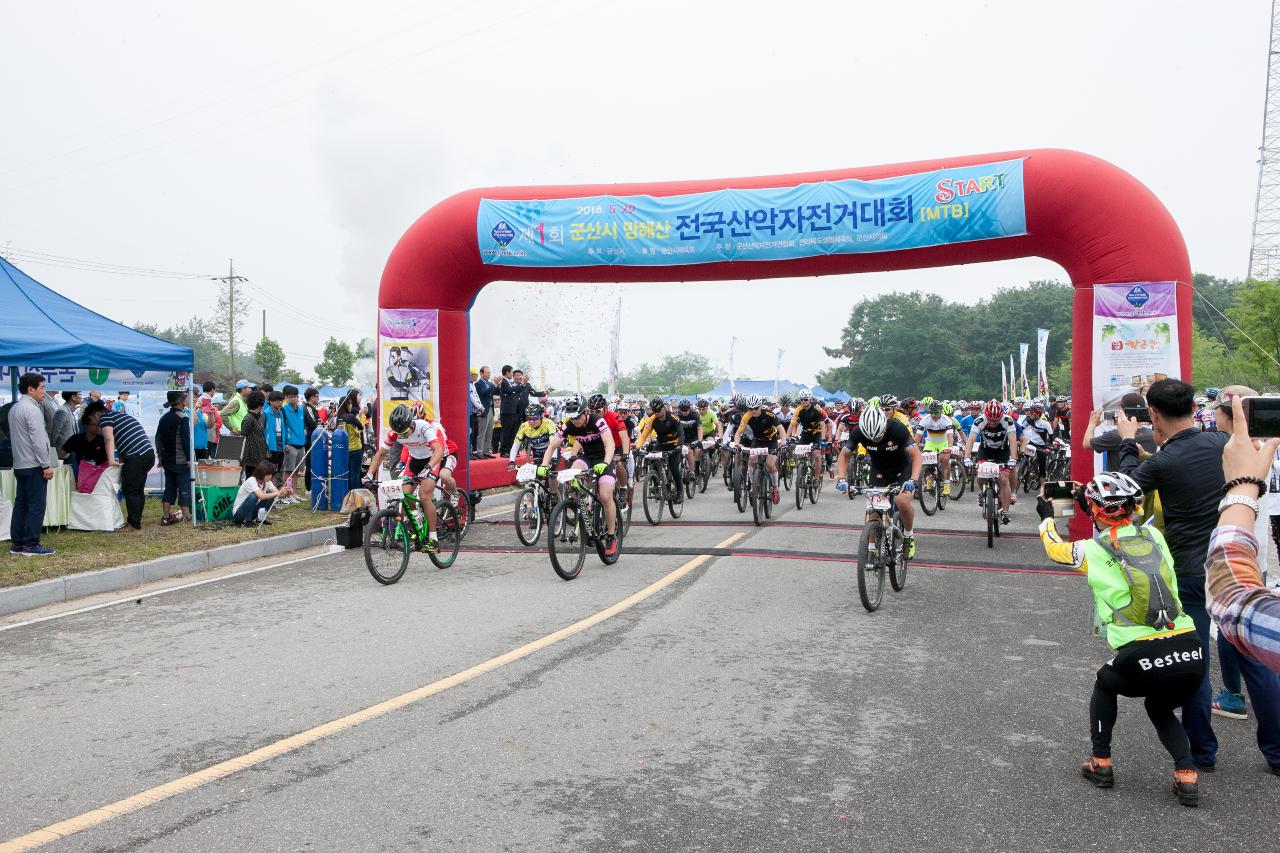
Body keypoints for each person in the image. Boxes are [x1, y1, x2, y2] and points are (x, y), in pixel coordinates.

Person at [1115, 378, 1280, 773]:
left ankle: (1201, 752)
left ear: (1152, 414)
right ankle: (1276, 751)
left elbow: (1120, 495)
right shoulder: (1223, 446)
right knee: (1256, 654)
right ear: (1194, 407)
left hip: (1190, 569)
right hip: (1239, 559)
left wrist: (1126, 443)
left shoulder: (1161, 462)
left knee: (1195, 660)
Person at [1036, 472, 1204, 805]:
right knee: (1159, 707)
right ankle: (1187, 773)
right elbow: (1126, 536)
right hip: (1191, 650)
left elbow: (1056, 550)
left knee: (1105, 682)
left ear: (1095, 511)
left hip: (1141, 653)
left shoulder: (1091, 550)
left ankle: (1101, 762)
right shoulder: (1154, 534)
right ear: (1134, 505)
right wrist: (1096, 503)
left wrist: (1046, 519)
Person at [1207, 393, 1280, 676]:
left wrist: (1242, 486)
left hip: (1245, 553)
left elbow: (1229, 598)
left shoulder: (1230, 453)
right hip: (1255, 554)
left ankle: (1234, 694)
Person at [366, 404, 460, 551]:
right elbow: (380, 454)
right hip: (415, 461)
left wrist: (428, 468)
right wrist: (369, 475)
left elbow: (438, 451)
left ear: (411, 423)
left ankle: (433, 539)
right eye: (399, 433)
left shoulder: (424, 427)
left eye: (404, 432)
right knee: (404, 494)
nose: (402, 436)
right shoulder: (394, 433)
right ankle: (416, 520)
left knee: (424, 496)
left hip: (432, 460)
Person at [837, 405, 922, 557]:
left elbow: (916, 456)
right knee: (873, 512)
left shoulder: (897, 428)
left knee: (902, 500)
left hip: (903, 468)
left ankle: (908, 536)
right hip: (879, 470)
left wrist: (914, 479)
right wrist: (842, 479)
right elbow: (843, 456)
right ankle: (871, 549)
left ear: (884, 425)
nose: (876, 439)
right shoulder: (859, 432)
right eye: (872, 438)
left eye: (879, 435)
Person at [538, 396, 618, 556]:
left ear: (585, 412)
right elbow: (552, 445)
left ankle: (611, 535)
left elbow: (610, 443)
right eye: (571, 417)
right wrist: (543, 465)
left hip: (604, 458)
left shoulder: (597, 421)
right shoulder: (568, 425)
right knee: (572, 479)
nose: (574, 421)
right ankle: (583, 511)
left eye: (577, 417)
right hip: (587, 458)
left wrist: (607, 462)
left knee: (605, 495)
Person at [85, 399, 154, 531]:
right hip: (147, 453)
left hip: (136, 455)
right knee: (138, 489)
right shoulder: (121, 416)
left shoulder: (106, 417)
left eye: (91, 420)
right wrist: (122, 461)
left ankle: (133, 523)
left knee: (130, 490)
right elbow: (124, 441)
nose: (94, 425)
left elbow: (108, 439)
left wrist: (111, 460)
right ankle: (136, 521)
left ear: (96, 414)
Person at [8, 373, 56, 556]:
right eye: (42, 387)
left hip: (20, 464)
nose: (44, 391)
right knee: (36, 505)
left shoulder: (15, 408)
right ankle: (31, 544)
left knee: (21, 505)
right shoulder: (32, 409)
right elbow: (38, 440)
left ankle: (18, 544)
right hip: (34, 464)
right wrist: (46, 465)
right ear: (31, 389)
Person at [1083, 394, 1157, 472]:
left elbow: (1086, 444)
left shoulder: (1115, 435)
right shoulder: (1153, 434)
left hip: (1121, 481)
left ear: (1123, 411)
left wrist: (1092, 424)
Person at [154, 390, 192, 525]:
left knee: (169, 486)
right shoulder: (183, 417)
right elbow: (186, 440)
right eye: (185, 398)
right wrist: (189, 459)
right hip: (180, 459)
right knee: (184, 486)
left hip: (167, 459)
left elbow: (158, 439)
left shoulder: (163, 418)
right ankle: (186, 515)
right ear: (180, 401)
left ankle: (166, 516)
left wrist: (160, 456)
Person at [232, 461, 291, 526]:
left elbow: (277, 494)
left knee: (271, 495)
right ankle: (247, 521)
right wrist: (278, 492)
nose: (270, 476)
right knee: (253, 496)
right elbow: (261, 496)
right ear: (261, 473)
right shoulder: (251, 480)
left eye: (271, 474)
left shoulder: (267, 482)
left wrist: (286, 492)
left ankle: (261, 518)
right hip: (238, 515)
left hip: (252, 511)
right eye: (268, 474)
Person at [333, 389, 364, 495]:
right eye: (350, 403)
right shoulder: (350, 417)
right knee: (355, 474)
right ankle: (355, 495)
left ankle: (347, 494)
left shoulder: (339, 419)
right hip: (355, 449)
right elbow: (360, 426)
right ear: (347, 404)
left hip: (344, 450)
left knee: (347, 473)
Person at [279, 386, 307, 501]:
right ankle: (287, 494)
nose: (293, 399)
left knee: (296, 470)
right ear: (286, 397)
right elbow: (282, 427)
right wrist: (285, 443)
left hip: (301, 443)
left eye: (295, 396)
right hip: (290, 443)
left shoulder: (300, 409)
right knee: (288, 470)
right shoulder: (284, 410)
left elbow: (303, 424)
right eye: (290, 397)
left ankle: (294, 492)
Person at [238, 391, 270, 481]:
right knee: (252, 479)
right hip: (251, 456)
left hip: (258, 454)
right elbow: (243, 436)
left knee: (258, 478)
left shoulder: (257, 416)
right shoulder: (249, 418)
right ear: (260, 405)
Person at [303, 387, 321, 492]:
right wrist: (321, 427)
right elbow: (313, 423)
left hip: (312, 438)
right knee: (309, 462)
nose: (318, 398)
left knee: (313, 462)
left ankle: (311, 486)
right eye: (317, 396)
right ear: (311, 397)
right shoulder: (308, 408)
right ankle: (308, 488)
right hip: (309, 439)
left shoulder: (312, 408)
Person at [475, 366, 496, 457]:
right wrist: (494, 385)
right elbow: (484, 393)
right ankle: (479, 451)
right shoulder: (478, 384)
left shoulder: (490, 384)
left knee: (489, 431)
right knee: (482, 431)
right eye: (487, 373)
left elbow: (494, 392)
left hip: (491, 409)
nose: (489, 375)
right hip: (483, 410)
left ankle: (487, 450)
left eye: (489, 373)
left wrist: (498, 385)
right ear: (481, 373)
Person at [198, 381, 219, 458]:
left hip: (206, 433)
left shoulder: (200, 398)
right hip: (208, 433)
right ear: (212, 389)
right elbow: (206, 417)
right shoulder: (207, 399)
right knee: (212, 458)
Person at [468, 368, 484, 459]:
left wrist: (480, 407)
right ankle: (469, 452)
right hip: (469, 412)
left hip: (474, 412)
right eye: (475, 375)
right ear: (470, 375)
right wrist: (480, 407)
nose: (476, 376)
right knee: (470, 432)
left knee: (475, 432)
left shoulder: (473, 385)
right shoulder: (467, 385)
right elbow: (471, 398)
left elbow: (476, 397)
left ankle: (474, 451)